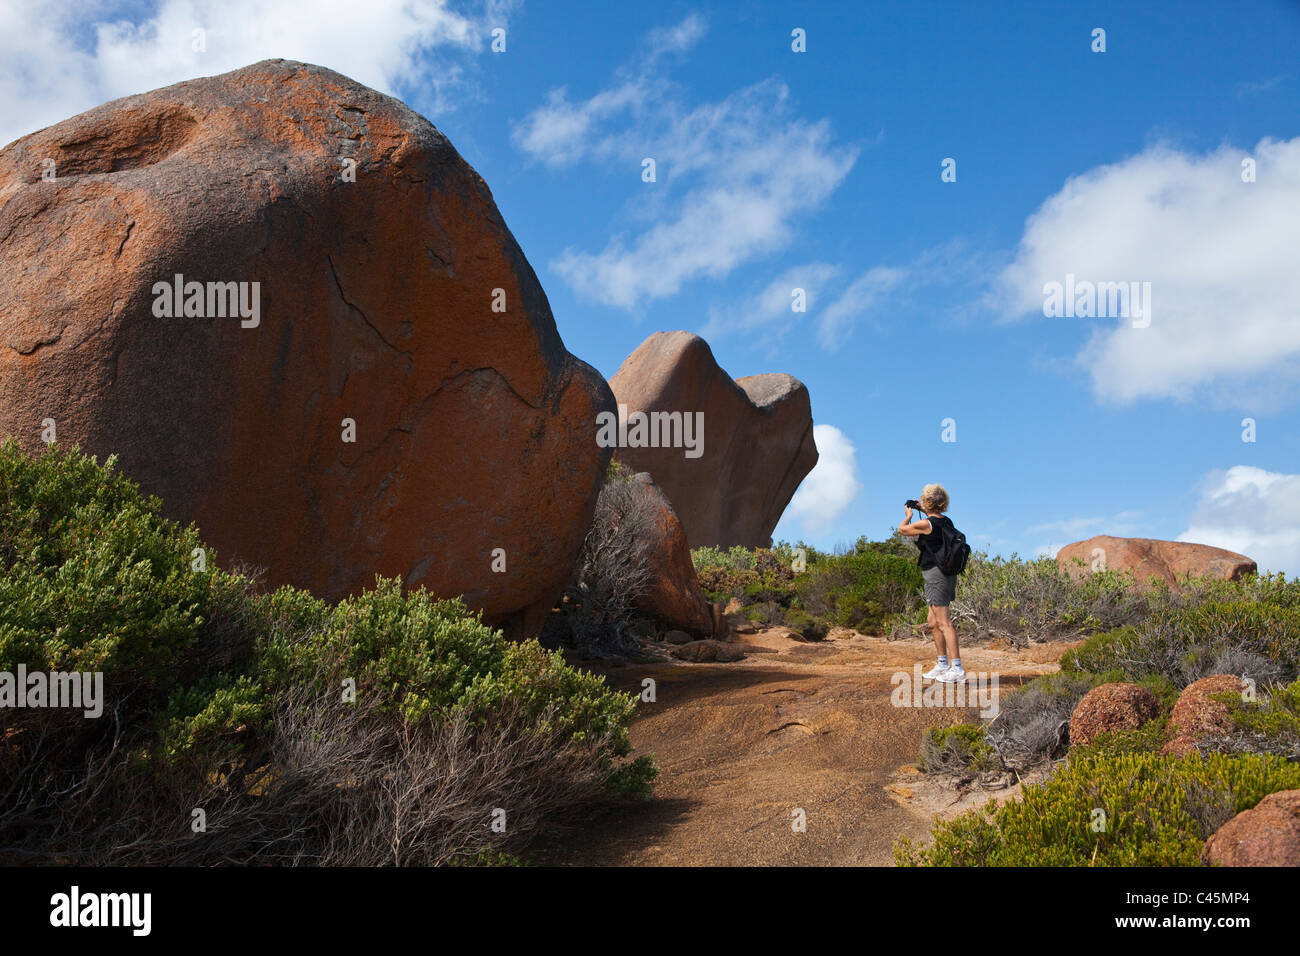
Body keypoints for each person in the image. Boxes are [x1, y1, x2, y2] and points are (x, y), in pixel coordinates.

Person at [897, 483, 963, 683]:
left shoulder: (926, 524)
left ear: (928, 502)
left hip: (936, 575)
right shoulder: (946, 521)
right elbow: (934, 516)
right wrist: (922, 508)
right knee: (933, 622)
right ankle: (943, 665)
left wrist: (908, 515)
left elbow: (902, 530)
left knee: (944, 623)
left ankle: (957, 669)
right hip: (945, 574)